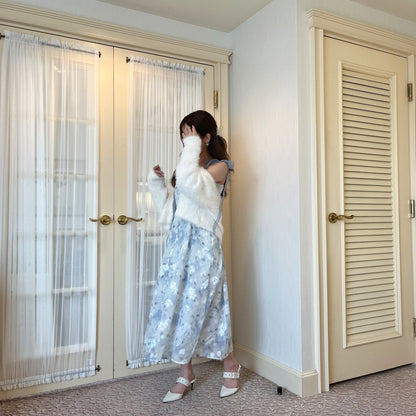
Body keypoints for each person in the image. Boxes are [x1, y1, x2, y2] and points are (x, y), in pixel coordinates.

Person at [143, 110, 240, 402]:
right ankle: (186, 372)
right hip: (177, 249)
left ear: (205, 138)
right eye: (183, 134)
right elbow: (170, 214)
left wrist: (191, 151)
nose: (185, 139)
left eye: (190, 134)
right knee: (176, 308)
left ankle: (230, 364)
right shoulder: (187, 172)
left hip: (203, 249)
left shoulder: (219, 168)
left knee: (209, 307)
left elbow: (190, 185)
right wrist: (157, 185)